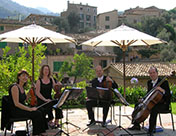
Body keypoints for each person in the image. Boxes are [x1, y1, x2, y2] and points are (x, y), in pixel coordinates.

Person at [128, 66, 171, 136]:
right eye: (150, 73)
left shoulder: (164, 82)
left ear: (157, 73)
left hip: (163, 104)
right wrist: (143, 99)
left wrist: (162, 90)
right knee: (137, 105)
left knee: (154, 109)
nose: (152, 74)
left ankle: (151, 130)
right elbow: (149, 93)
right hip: (153, 102)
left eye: (154, 73)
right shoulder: (149, 82)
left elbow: (168, 95)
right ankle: (136, 124)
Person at [8, 70, 48, 136]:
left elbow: (25, 99)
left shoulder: (22, 88)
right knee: (37, 113)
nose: (25, 77)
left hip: (21, 109)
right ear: (19, 77)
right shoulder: (15, 87)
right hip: (15, 111)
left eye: (26, 76)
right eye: (23, 75)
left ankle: (43, 131)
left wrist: (30, 91)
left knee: (41, 110)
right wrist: (29, 109)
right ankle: (37, 133)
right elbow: (16, 103)